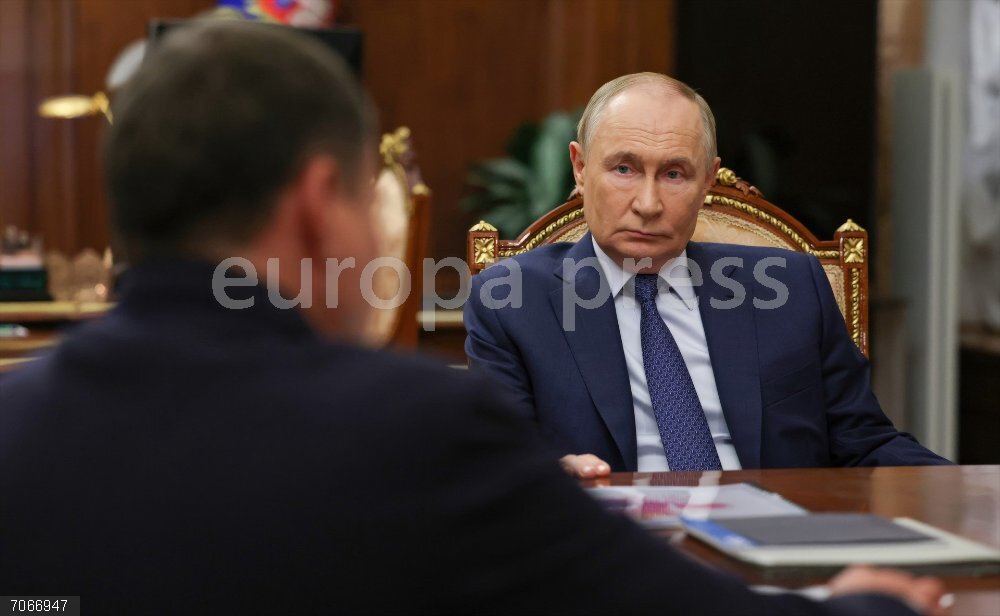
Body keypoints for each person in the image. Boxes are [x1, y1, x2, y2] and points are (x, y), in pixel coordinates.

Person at [0, 23, 946, 615]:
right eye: (382, 191)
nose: (650, 199)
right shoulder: (409, 426)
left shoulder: (15, 425)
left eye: (675, 174)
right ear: (319, 203)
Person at [464, 73, 950, 478]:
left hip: (777, 542)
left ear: (708, 180)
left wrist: (968, 494)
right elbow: (497, 460)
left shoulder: (790, 288)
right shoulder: (513, 300)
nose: (648, 204)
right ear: (580, 167)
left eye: (675, 174)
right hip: (617, 555)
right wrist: (547, 473)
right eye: (624, 169)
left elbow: (865, 443)